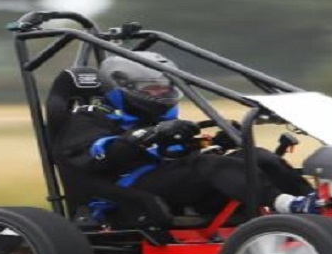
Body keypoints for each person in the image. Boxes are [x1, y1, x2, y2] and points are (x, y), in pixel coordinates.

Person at [49, 51, 317, 239]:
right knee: (208, 166)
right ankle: (285, 206)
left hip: (172, 182)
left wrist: (209, 141)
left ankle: (316, 208)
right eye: (153, 89)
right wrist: (150, 135)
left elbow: (175, 152)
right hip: (125, 193)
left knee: (256, 157)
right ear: (124, 87)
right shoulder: (88, 119)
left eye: (165, 88)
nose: (162, 94)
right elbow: (101, 156)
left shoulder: (150, 117)